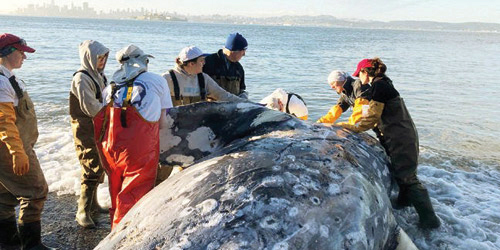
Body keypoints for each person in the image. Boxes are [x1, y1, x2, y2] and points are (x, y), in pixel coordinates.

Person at [341, 58, 441, 229]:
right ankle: (404, 202)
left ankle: (430, 221)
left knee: (408, 178)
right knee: (401, 172)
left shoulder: (380, 86)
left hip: (400, 138)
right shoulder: (383, 83)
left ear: (366, 72)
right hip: (399, 135)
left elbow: (372, 118)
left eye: (360, 74)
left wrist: (350, 127)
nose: (358, 78)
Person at [93, 44, 173, 229]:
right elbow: (165, 120)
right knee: (134, 194)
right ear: (143, 61)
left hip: (110, 147)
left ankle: (114, 229)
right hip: (139, 148)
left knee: (116, 191)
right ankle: (125, 237)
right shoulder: (157, 80)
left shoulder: (110, 86)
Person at [0, 34, 55, 249]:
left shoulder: (8, 77)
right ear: (7, 52)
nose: (24, 56)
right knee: (36, 191)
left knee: (4, 196)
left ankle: (8, 242)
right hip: (11, 149)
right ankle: (32, 246)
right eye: (21, 52)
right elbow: (4, 122)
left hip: (10, 148)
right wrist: (17, 152)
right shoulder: (2, 81)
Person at [69, 40, 109, 229]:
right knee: (91, 165)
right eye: (99, 58)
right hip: (86, 129)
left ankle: (93, 204)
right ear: (89, 57)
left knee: (99, 164)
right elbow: (91, 107)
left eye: (104, 58)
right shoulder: (82, 78)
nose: (102, 61)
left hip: (99, 128)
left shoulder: (100, 75)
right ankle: (82, 210)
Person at [163, 46, 246, 107]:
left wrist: (247, 103)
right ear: (191, 64)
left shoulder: (203, 78)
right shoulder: (167, 79)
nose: (204, 63)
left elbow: (223, 96)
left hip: (198, 126)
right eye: (201, 60)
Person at [203, 32, 248, 98]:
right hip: (212, 106)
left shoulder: (239, 68)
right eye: (243, 51)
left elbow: (242, 89)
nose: (244, 54)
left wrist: (243, 96)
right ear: (234, 51)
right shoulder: (207, 62)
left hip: (232, 106)